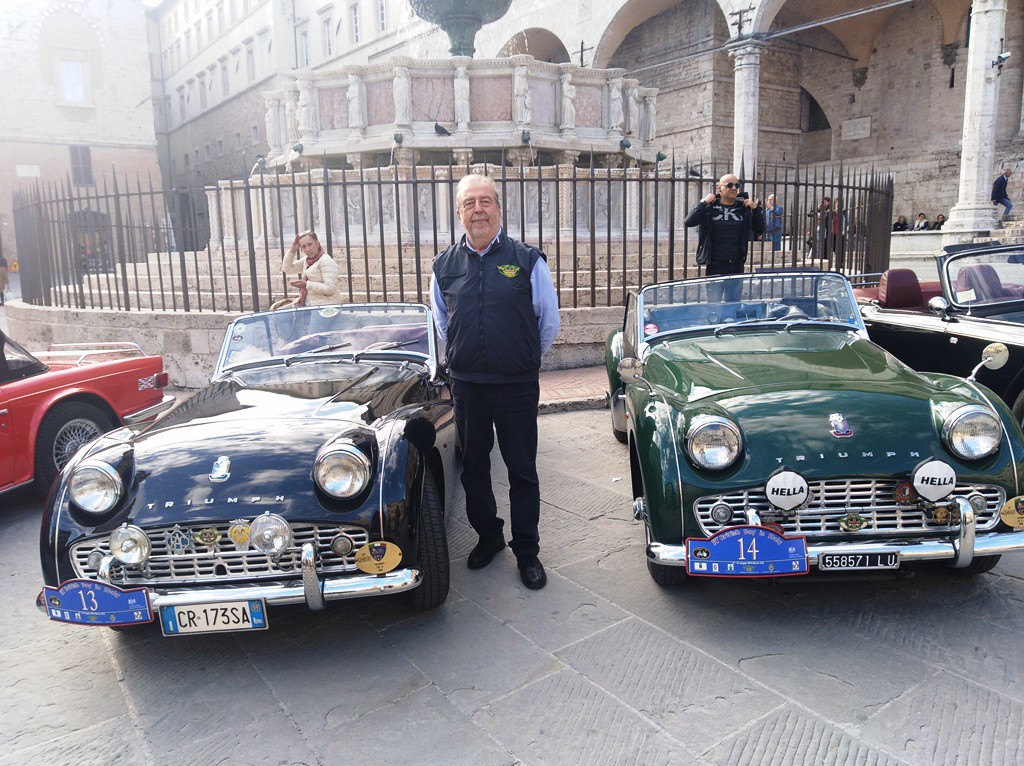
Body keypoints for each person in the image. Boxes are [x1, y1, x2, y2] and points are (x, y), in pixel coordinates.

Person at [430, 173, 560, 590]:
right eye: (469, 203)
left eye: (485, 201)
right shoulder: (443, 266)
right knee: (474, 467)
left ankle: (527, 550)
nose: (478, 210)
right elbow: (442, 322)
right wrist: (467, 358)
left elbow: (548, 322)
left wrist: (521, 360)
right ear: (459, 213)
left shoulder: (527, 260)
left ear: (499, 209)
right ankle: (490, 537)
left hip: (517, 385)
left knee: (522, 469)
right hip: (468, 385)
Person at [685, 173, 765, 301]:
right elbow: (689, 222)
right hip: (715, 264)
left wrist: (755, 209)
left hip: (737, 264)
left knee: (733, 303)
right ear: (719, 189)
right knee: (713, 303)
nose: (733, 188)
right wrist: (703, 202)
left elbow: (760, 229)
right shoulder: (709, 207)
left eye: (736, 185)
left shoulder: (743, 209)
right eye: (729, 185)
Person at [281, 229, 340, 312]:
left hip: (324, 306)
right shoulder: (307, 260)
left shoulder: (326, 261)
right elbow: (287, 269)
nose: (307, 249)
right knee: (280, 316)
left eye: (310, 244)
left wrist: (306, 284)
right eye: (304, 246)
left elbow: (330, 289)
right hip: (307, 302)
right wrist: (293, 249)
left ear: (317, 243)